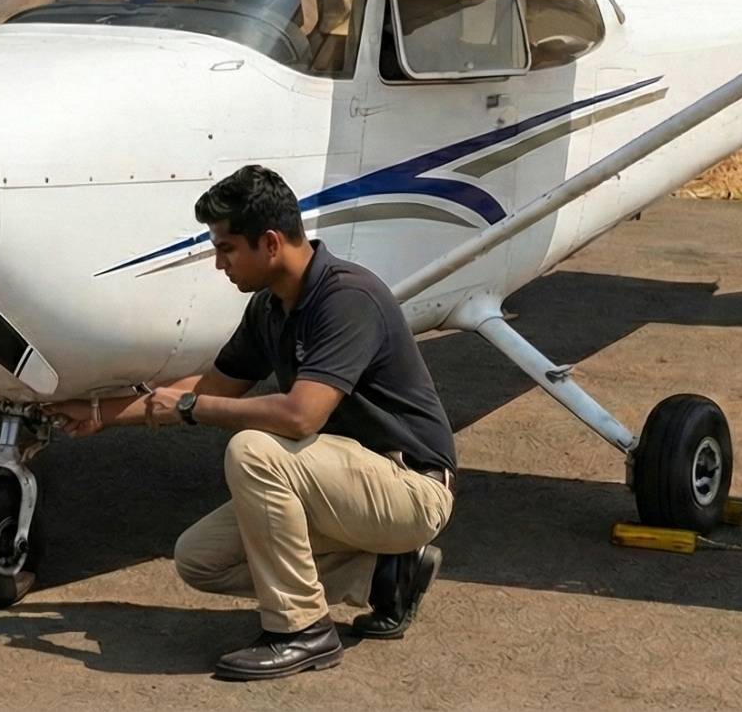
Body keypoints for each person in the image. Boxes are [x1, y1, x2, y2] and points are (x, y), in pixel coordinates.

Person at [48, 165, 457, 681]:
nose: (219, 263)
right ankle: (386, 574)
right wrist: (97, 414)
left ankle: (302, 630)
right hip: (343, 485)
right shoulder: (271, 307)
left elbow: (300, 415)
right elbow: (210, 388)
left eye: (226, 248)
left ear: (270, 243)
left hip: (411, 488)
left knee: (253, 450)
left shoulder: (347, 298)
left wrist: (192, 409)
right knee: (199, 558)